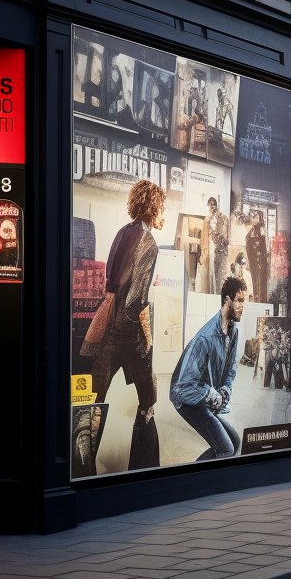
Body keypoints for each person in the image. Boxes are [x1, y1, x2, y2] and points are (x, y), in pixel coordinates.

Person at [81, 179, 165, 470]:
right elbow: (137, 295)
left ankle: (82, 466)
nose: (163, 211)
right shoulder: (149, 242)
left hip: (107, 321)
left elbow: (112, 280)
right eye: (161, 206)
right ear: (153, 208)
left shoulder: (122, 232)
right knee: (148, 399)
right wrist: (145, 336)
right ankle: (144, 468)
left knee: (93, 402)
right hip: (129, 329)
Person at [170, 277, 245, 459]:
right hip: (187, 401)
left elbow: (231, 367)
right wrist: (210, 394)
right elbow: (182, 387)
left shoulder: (233, 332)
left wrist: (225, 388)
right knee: (226, 449)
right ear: (227, 301)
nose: (243, 306)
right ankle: (191, 483)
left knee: (234, 442)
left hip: (202, 398)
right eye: (239, 301)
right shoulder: (207, 337)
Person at [200, 196, 230, 294]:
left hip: (220, 251)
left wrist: (220, 241)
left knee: (220, 276)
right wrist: (203, 253)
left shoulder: (223, 218)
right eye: (210, 205)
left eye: (214, 204)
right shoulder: (207, 220)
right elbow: (203, 238)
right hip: (209, 251)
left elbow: (226, 237)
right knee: (210, 275)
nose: (212, 207)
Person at [245, 211, 269, 303]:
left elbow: (265, 249)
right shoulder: (251, 232)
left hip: (260, 261)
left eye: (255, 217)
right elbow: (248, 246)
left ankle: (261, 301)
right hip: (253, 261)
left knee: (261, 282)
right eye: (252, 216)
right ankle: (256, 299)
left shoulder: (261, 231)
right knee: (254, 280)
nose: (253, 219)